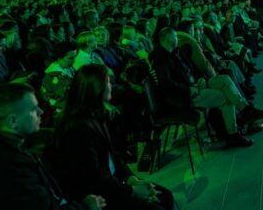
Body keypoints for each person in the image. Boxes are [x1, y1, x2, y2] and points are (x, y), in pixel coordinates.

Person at [0, 82, 106, 210]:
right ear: (13, 121)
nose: (40, 112)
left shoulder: (4, 149)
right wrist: (86, 206)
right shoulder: (8, 166)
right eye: (33, 109)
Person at [50, 65, 175, 210]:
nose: (111, 86)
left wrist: (130, 178)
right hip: (98, 198)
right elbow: (95, 180)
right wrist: (132, 191)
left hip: (113, 183)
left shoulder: (96, 114)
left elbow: (112, 155)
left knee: (165, 195)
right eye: (108, 82)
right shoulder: (77, 130)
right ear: (96, 88)